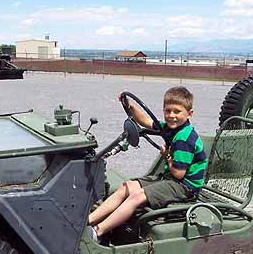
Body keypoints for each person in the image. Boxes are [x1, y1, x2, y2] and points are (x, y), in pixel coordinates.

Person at [88, 86, 207, 240]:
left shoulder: (184, 139)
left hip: (185, 186)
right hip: (172, 178)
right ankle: (88, 221)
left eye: (177, 111)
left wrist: (166, 156)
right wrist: (130, 105)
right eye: (167, 111)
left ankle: (98, 231)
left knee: (136, 197)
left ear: (189, 113)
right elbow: (145, 120)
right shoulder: (173, 128)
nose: (171, 116)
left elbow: (178, 173)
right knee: (126, 187)